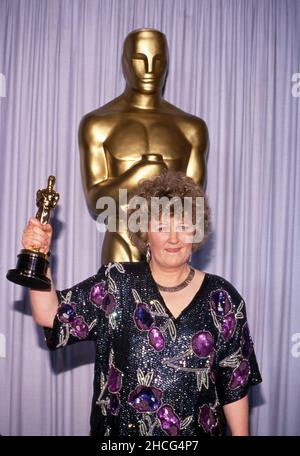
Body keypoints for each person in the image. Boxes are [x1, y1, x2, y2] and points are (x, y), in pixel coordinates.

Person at [22, 171, 262, 436]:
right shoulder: (117, 283)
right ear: (145, 232)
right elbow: (49, 315)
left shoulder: (222, 298)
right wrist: (39, 256)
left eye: (183, 226)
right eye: (161, 227)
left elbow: (234, 386)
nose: (173, 238)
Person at [78, 28, 208, 263]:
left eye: (158, 60)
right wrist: (141, 174)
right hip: (122, 243)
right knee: (116, 300)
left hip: (171, 249)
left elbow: (194, 204)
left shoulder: (191, 128)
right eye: (140, 59)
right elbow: (96, 202)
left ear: (167, 64)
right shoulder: (99, 123)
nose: (150, 69)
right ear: (125, 63)